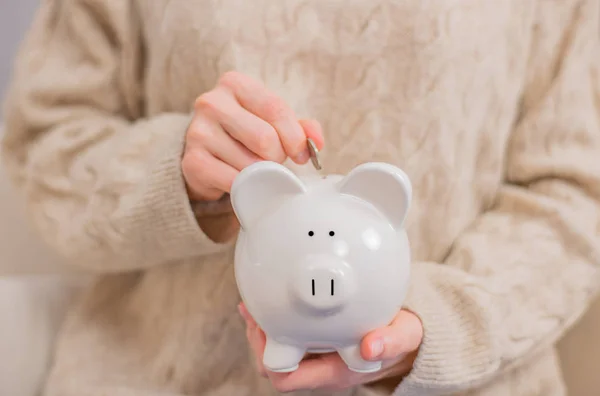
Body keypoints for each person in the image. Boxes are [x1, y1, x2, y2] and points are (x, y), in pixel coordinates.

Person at [2, 0, 600, 395]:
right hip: (158, 374)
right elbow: (44, 143)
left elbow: (574, 191)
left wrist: (440, 325)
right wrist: (175, 170)